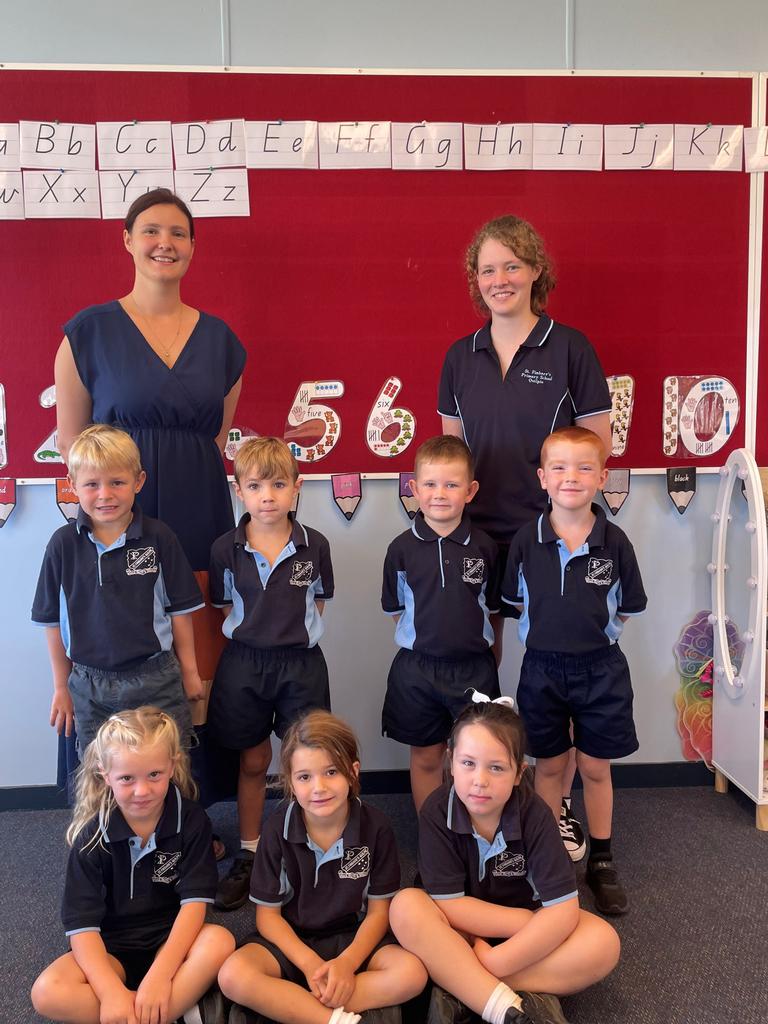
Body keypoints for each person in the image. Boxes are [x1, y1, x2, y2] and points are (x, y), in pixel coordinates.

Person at [438, 214, 614, 859]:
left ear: (536, 271)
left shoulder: (570, 347)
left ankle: (554, 804)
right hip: (476, 531)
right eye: (488, 269)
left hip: (549, 532)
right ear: (475, 281)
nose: (500, 279)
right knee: (480, 658)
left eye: (512, 265)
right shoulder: (461, 355)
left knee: (551, 662)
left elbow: (600, 440)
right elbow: (449, 452)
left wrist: (565, 495)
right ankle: (478, 789)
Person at [53, 187, 246, 705]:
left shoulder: (223, 342)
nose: (166, 243)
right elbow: (74, 448)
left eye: (179, 233)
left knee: (198, 658)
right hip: (115, 517)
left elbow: (218, 436)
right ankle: (117, 784)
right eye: (152, 231)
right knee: (116, 648)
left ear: (192, 246)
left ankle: (196, 780)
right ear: (128, 241)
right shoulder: (86, 334)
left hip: (198, 507)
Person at [390, 697, 620, 1024]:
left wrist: (499, 961)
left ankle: (465, 984)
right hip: (461, 931)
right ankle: (499, 1003)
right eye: (468, 763)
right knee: (406, 907)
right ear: (451, 763)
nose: (479, 780)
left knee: (603, 943)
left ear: (518, 773)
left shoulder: (536, 813)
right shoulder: (436, 812)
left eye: (496, 767)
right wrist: (528, 923)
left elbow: (563, 909)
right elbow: (452, 906)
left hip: (520, 940)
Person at [501, 427, 647, 915]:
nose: (572, 477)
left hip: (600, 670)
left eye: (585, 467)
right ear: (542, 477)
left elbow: (625, 608)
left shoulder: (615, 541)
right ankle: (549, 860)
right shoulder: (526, 541)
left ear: (603, 477)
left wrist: (594, 642)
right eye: (559, 467)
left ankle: (601, 859)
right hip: (540, 669)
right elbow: (515, 603)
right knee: (549, 765)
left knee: (594, 766)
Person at [218, 709, 427, 1024]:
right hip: (295, 941)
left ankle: (295, 1006)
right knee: (232, 975)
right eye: (304, 777)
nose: (319, 787)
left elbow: (378, 913)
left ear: (353, 772)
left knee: (412, 974)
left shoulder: (377, 827)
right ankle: (335, 1018)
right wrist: (309, 964)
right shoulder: (277, 830)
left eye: (331, 772)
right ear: (289, 781)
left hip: (354, 937)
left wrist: (346, 964)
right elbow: (268, 918)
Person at [30, 707, 235, 1024]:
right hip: (111, 950)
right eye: (127, 778)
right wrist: (111, 991)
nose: (142, 790)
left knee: (220, 942)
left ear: (172, 766)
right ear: (105, 774)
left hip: (171, 942)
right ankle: (168, 1011)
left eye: (154, 774)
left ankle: (146, 1012)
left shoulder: (192, 820)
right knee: (47, 992)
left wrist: (160, 975)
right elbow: (81, 928)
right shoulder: (91, 836)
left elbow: (195, 905)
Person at [208, 437, 335, 911]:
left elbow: (317, 601)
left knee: (310, 759)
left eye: (278, 484)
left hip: (300, 665)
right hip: (244, 663)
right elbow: (224, 604)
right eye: (256, 485)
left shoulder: (314, 545)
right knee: (255, 762)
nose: (267, 496)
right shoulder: (226, 549)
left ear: (296, 488)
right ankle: (249, 854)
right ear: (239, 490)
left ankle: (314, 852)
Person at [31, 425, 205, 750]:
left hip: (156, 677)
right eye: (92, 485)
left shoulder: (159, 537)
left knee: (168, 764)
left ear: (138, 482)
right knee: (100, 777)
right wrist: (61, 687)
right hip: (88, 683)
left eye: (117, 483)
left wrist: (190, 671)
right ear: (72, 485)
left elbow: (180, 611)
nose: (105, 495)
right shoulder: (62, 545)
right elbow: (51, 622)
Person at [381, 434, 501, 811]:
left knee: (475, 757)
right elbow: (398, 610)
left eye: (452, 484)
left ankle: (470, 832)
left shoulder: (485, 547)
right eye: (430, 484)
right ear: (414, 488)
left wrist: (490, 654)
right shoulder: (400, 549)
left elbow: (492, 608)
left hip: (474, 669)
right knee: (428, 757)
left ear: (470, 490)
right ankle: (433, 840)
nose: (440, 493)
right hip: (418, 671)